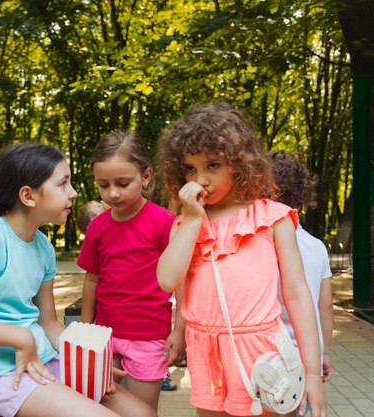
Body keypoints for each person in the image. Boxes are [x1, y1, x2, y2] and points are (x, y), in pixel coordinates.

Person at [0, 143, 156, 417]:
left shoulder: (43, 247)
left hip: (47, 360)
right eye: (63, 184)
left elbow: (48, 322)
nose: (73, 193)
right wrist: (21, 338)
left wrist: (89, 359)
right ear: (28, 196)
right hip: (3, 376)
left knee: (143, 414)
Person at [156, 101, 327, 417]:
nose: (200, 179)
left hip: (263, 356)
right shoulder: (185, 223)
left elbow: (297, 293)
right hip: (208, 356)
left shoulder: (271, 217)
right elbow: (167, 280)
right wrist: (193, 219)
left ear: (239, 163)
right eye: (190, 168)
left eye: (213, 165)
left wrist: (312, 372)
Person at [77, 131, 184, 411]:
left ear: (146, 176)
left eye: (123, 183)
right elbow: (92, 280)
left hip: (149, 336)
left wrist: (180, 329)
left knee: (143, 410)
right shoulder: (97, 228)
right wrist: (87, 333)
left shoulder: (164, 223)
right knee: (103, 406)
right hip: (104, 335)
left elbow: (182, 281)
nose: (112, 193)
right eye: (103, 185)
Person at [269, 149, 333, 383]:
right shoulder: (316, 246)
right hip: (308, 356)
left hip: (268, 354)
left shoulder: (259, 242)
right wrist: (324, 352)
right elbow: (325, 307)